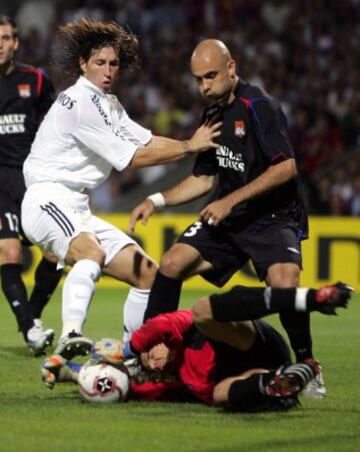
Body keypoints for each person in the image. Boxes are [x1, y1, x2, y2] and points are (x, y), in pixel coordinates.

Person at [129, 39, 323, 397]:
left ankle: (307, 363)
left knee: (284, 284)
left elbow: (286, 169)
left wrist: (229, 201)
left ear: (231, 67)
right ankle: (150, 355)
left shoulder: (260, 107)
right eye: (198, 79)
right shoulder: (213, 116)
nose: (204, 86)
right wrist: (157, 199)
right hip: (230, 220)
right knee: (171, 264)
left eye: (211, 76)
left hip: (273, 218)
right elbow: (203, 178)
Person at [21, 19, 221, 359]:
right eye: (100, 63)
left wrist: (197, 144)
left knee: (147, 273)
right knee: (91, 253)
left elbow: (146, 139)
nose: (108, 70)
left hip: (76, 206)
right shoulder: (80, 101)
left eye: (113, 63)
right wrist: (189, 146)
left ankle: (132, 356)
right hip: (47, 197)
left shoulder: (108, 103)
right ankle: (70, 335)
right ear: (83, 65)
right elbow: (132, 159)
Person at [41, 282, 352, 411]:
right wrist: (70, 373)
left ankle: (307, 298)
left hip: (251, 339)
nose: (157, 364)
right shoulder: (175, 384)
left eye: (152, 356)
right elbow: (121, 387)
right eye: (153, 369)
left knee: (204, 312)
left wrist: (130, 349)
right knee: (219, 395)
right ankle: (283, 384)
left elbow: (160, 326)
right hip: (248, 372)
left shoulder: (176, 334)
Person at [0, 15, 63, 355]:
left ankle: (32, 314)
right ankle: (29, 330)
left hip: (34, 179)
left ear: (15, 43)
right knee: (9, 251)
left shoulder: (36, 80)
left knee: (54, 254)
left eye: (5, 38)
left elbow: (55, 129)